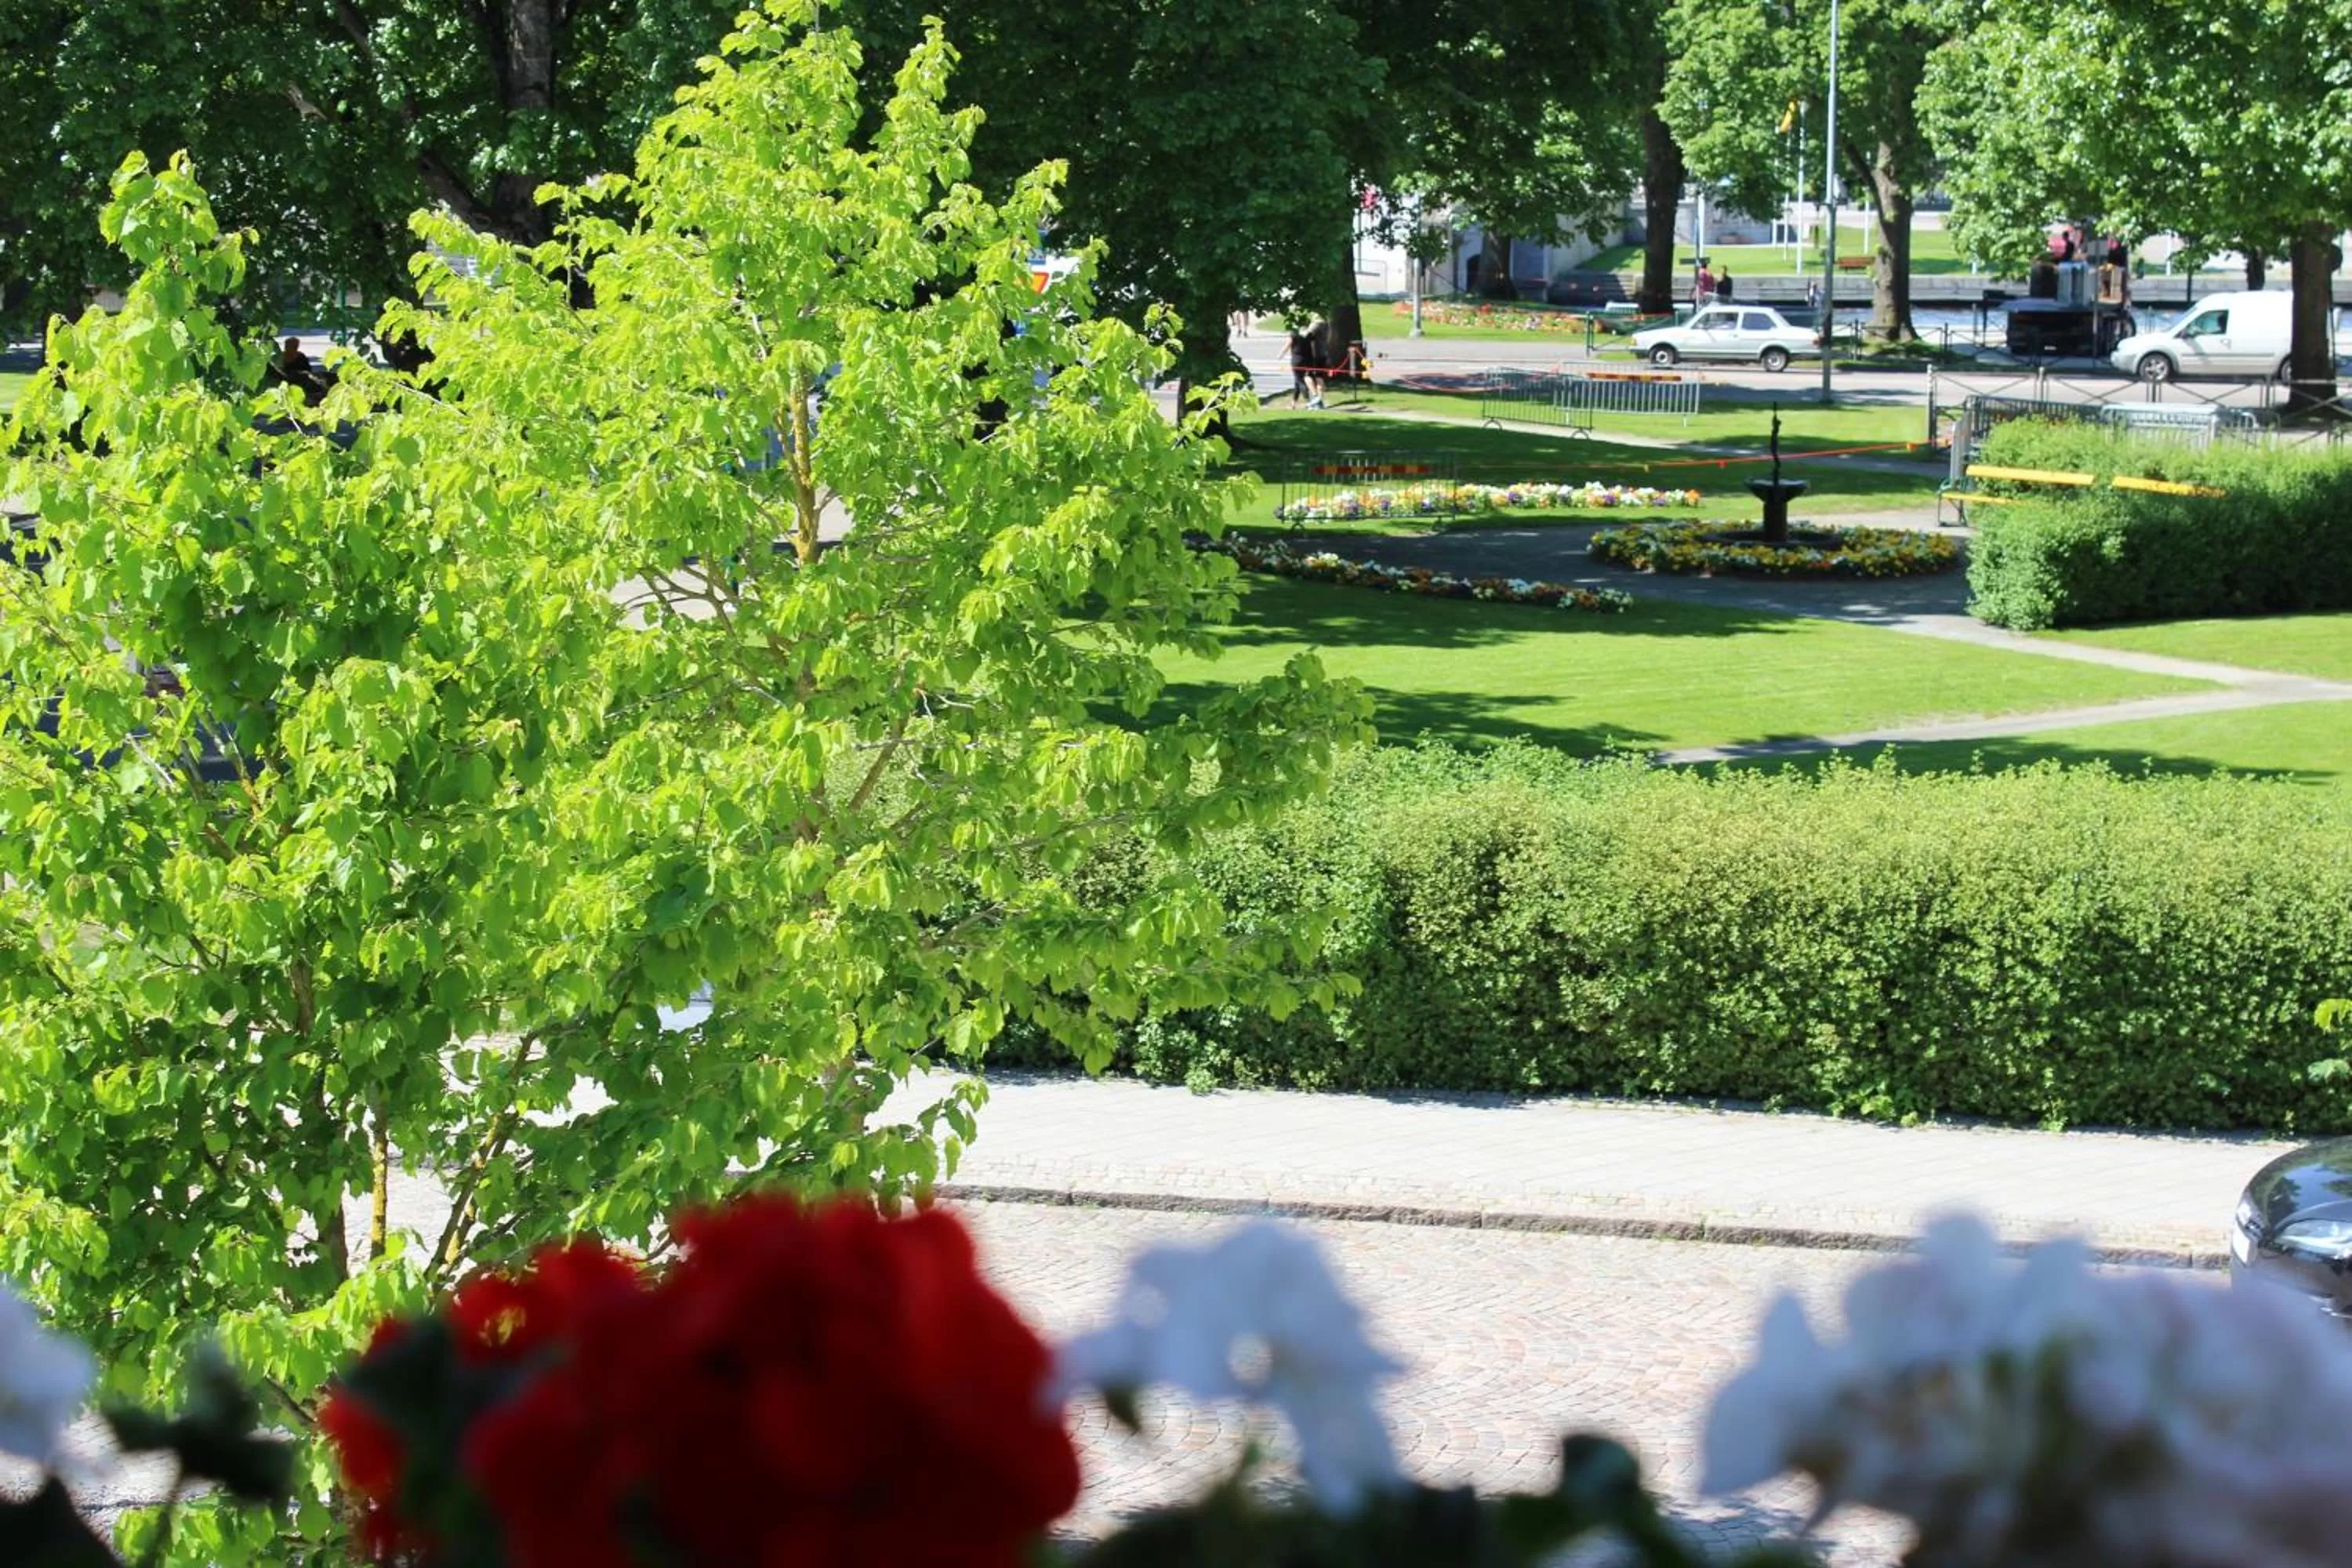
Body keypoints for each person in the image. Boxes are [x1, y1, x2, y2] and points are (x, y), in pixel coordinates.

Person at [1286, 326, 1316, 407]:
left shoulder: (1294, 335)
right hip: (1308, 360)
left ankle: (1308, 401)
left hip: (1297, 360)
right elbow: (1313, 348)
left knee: (1300, 381)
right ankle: (1293, 403)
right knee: (1297, 382)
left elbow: (1287, 346)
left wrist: (1280, 355)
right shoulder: (1309, 336)